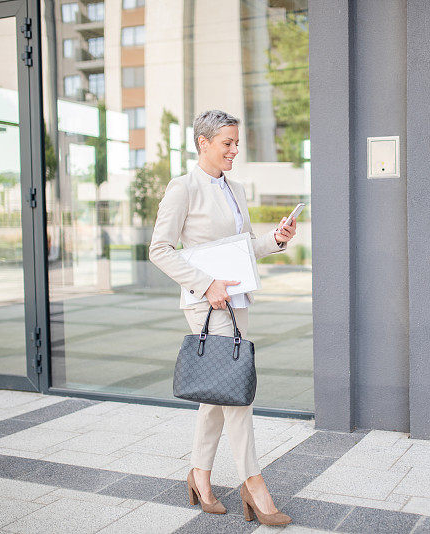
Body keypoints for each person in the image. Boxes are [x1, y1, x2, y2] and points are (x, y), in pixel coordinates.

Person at [148, 109, 297, 526]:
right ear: (203, 143)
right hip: (209, 306)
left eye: (236, 142)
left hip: (237, 301)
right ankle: (253, 483)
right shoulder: (184, 188)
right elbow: (159, 249)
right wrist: (205, 283)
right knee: (238, 395)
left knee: (219, 394)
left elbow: (242, 245)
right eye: (227, 143)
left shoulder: (234, 188)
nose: (235, 150)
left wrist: (276, 239)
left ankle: (199, 476)